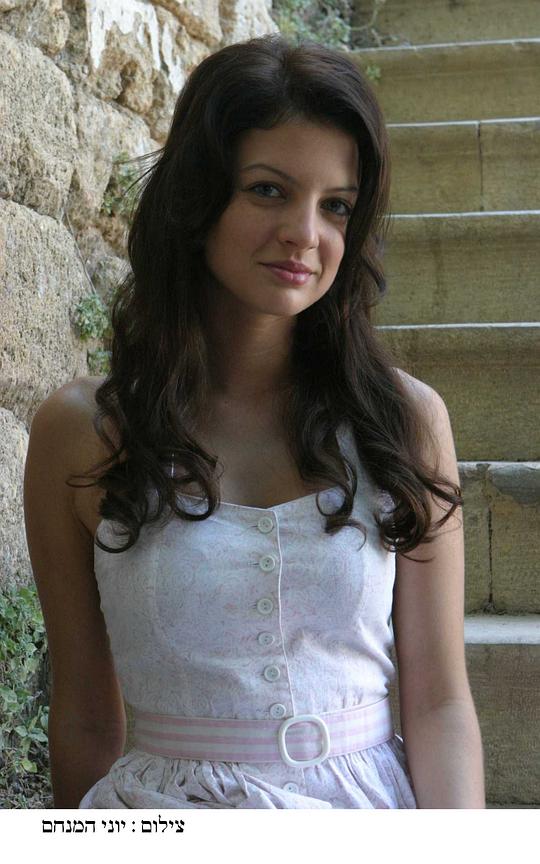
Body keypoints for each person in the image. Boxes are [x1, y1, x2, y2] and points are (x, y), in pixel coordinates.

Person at [23, 33, 485, 809]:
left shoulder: (403, 420)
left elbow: (439, 702)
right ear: (197, 198)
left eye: (336, 205)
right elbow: (84, 716)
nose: (305, 232)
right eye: (269, 190)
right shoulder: (82, 432)